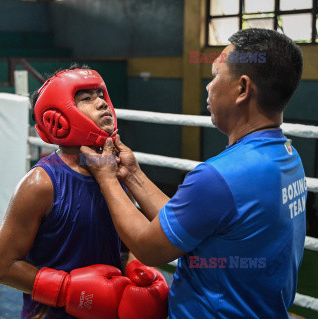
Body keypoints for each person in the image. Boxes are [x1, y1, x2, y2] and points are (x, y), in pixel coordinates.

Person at [81, 28, 306, 318]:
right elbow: (194, 222)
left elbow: (148, 249)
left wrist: (106, 178)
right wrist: (132, 174)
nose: (209, 86)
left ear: (242, 88)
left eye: (215, 75)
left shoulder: (220, 177)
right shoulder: (287, 157)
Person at [0, 66, 169, 319]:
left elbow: (129, 240)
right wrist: (67, 290)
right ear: (58, 116)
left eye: (101, 95)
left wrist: (135, 266)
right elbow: (1, 267)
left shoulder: (117, 173)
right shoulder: (41, 183)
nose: (102, 103)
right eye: (86, 98)